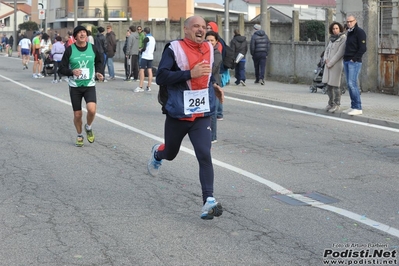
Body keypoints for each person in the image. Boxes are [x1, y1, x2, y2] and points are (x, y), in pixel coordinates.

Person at [149, 15, 224, 220]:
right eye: (196, 27)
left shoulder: (210, 48)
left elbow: (208, 73)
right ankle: (158, 154)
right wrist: (190, 74)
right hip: (179, 112)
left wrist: (214, 85)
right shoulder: (174, 48)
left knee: (204, 154)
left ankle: (208, 201)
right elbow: (161, 77)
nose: (201, 30)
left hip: (201, 113)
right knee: (171, 153)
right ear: (186, 30)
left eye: (203, 27)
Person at [58, 25, 104, 147]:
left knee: (92, 110)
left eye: (84, 32)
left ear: (87, 35)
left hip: (89, 85)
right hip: (75, 87)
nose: (82, 34)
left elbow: (99, 61)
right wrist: (71, 72)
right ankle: (79, 135)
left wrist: (99, 72)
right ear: (75, 36)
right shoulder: (70, 50)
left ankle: (88, 127)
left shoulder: (93, 48)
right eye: (79, 33)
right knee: (78, 114)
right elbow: (61, 68)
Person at [342, 15, 367, 116]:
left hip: (354, 62)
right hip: (347, 60)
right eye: (347, 22)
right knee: (349, 84)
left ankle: (358, 107)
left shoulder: (360, 32)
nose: (349, 23)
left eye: (351, 21)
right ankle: (353, 106)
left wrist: (354, 59)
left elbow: (363, 48)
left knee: (353, 84)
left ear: (355, 21)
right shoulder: (349, 32)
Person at [322, 22, 346, 113]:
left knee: (336, 85)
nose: (335, 30)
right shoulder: (331, 39)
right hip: (328, 65)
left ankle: (337, 104)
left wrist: (331, 62)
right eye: (333, 29)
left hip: (336, 65)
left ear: (340, 29)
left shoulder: (343, 39)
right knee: (328, 85)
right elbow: (327, 50)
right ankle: (330, 103)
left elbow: (340, 53)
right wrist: (326, 59)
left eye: (336, 28)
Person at [206, 22, 226, 120]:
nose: (209, 42)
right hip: (207, 79)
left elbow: (214, 66)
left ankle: (219, 113)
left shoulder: (217, 50)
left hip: (215, 77)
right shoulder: (204, 49)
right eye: (207, 27)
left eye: (211, 40)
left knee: (217, 95)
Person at [206, 31, 223, 144]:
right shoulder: (203, 52)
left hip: (214, 84)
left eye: (212, 40)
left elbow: (214, 68)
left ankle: (212, 137)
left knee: (213, 112)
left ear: (216, 41)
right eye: (207, 40)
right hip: (204, 84)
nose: (209, 42)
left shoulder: (216, 53)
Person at [134, 27, 156, 92]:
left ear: (145, 32)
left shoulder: (146, 38)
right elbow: (155, 49)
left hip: (145, 56)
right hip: (151, 56)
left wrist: (140, 50)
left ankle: (140, 86)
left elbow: (144, 48)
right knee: (150, 70)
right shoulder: (153, 38)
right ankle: (148, 86)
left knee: (141, 70)